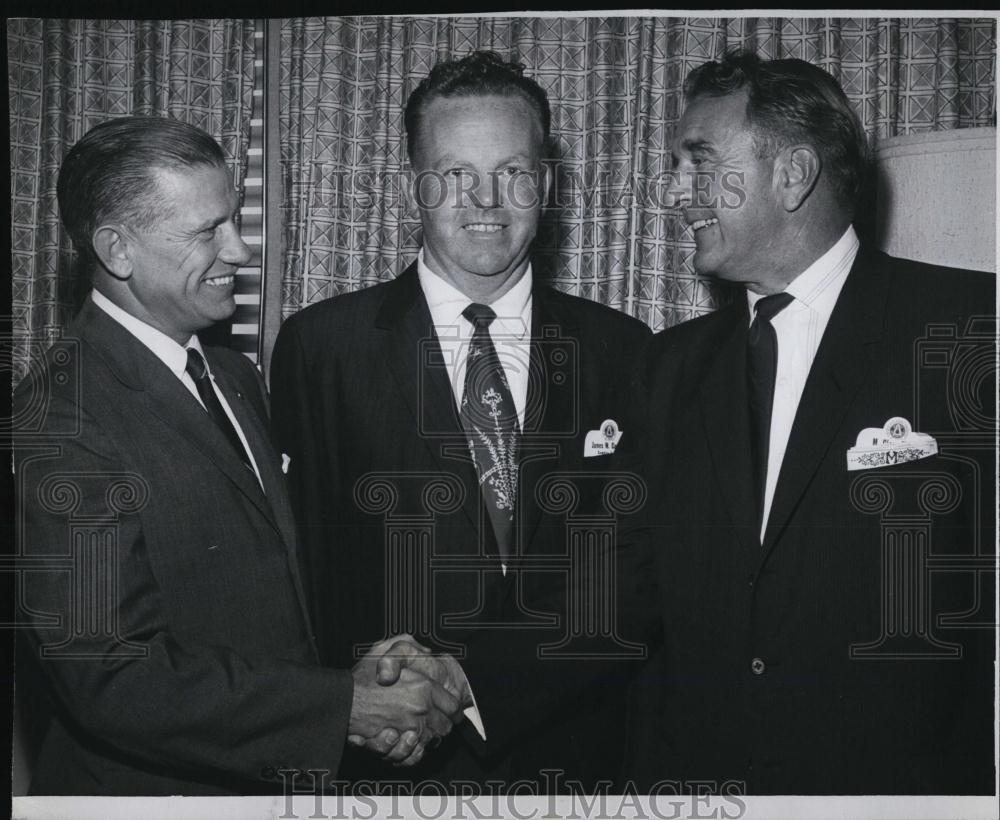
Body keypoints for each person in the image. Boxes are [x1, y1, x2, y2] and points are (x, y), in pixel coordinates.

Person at [385, 50, 997, 795]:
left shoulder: (970, 328)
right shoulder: (668, 368)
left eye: (699, 163)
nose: (675, 191)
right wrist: (463, 681)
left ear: (793, 174)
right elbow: (617, 580)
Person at [11, 116, 461, 796]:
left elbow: (259, 598)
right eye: (207, 231)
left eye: (234, 221)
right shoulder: (64, 412)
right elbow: (110, 673)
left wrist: (366, 672)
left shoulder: (231, 374)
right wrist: (344, 707)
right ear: (117, 250)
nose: (240, 249)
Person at [269, 51, 651, 789]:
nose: (486, 200)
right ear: (413, 186)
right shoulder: (323, 347)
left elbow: (631, 570)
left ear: (546, 183)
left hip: (578, 761)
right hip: (388, 763)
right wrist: (356, 700)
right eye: (453, 175)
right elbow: (303, 569)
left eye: (511, 171)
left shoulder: (622, 350)